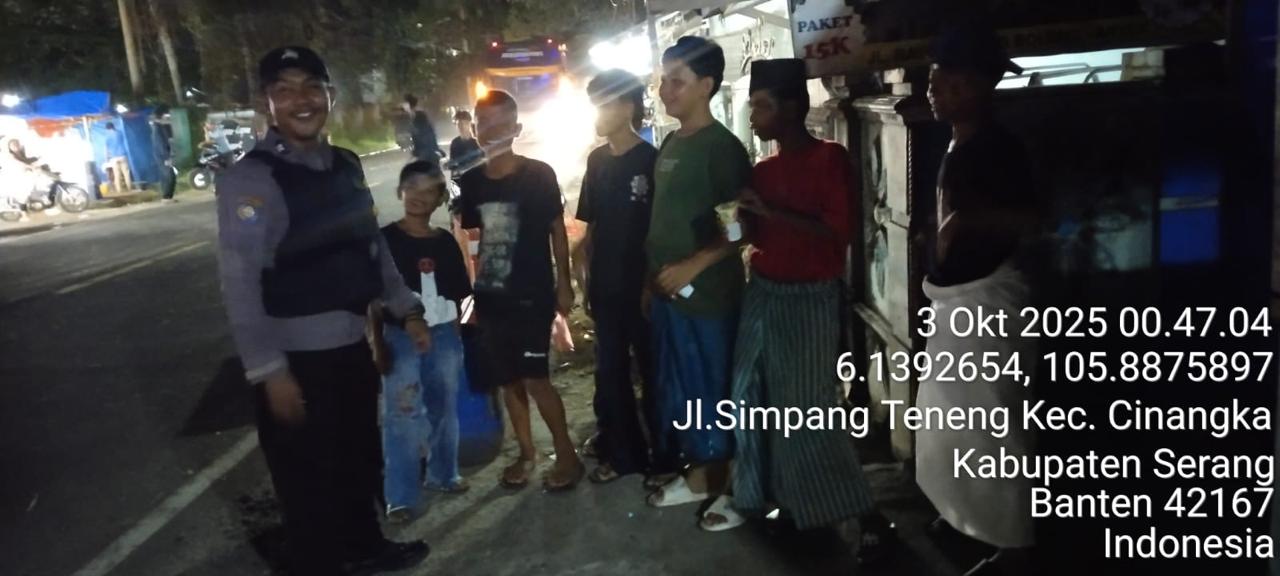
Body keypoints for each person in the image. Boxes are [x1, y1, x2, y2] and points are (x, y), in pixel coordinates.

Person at [216, 46, 431, 576]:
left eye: (311, 86)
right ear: (267, 103)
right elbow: (239, 282)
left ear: (330, 95)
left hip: (352, 347)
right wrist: (270, 371)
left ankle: (364, 546)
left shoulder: (346, 166)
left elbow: (372, 249)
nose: (301, 100)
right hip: (295, 361)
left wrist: (406, 308)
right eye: (284, 90)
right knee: (306, 479)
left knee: (358, 457)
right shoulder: (251, 179)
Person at [703, 56, 896, 559]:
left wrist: (770, 210)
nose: (752, 117)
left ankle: (861, 512)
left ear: (791, 108)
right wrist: (736, 222)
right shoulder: (762, 170)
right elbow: (753, 235)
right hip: (764, 290)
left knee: (807, 410)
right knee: (747, 392)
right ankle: (770, 498)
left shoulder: (829, 159)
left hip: (810, 297)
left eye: (761, 107)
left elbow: (837, 233)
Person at [917, 24, 1038, 576]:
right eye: (934, 81)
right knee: (949, 421)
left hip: (986, 305)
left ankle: (1013, 546)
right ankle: (963, 516)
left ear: (981, 87)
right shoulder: (958, 141)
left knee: (993, 429)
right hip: (957, 301)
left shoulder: (998, 148)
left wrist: (965, 220)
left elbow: (1030, 219)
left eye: (950, 83)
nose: (935, 91)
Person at [644, 36, 752, 508]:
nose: (665, 91)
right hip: (668, 294)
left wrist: (693, 265)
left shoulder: (721, 149)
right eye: (663, 81)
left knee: (713, 387)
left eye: (677, 82)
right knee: (682, 386)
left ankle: (726, 481)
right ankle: (700, 472)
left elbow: (739, 229)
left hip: (707, 297)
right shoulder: (671, 142)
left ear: (706, 86)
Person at [457, 89, 583, 491]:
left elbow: (557, 231)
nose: (492, 129)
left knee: (535, 379)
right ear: (475, 130)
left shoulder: (538, 174)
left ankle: (567, 455)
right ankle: (527, 454)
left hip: (531, 295)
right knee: (508, 379)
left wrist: (564, 285)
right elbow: (471, 239)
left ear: (516, 128)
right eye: (484, 122)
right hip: (491, 297)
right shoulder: (471, 182)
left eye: (501, 122)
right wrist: (469, 296)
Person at [575, 69, 673, 485]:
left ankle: (665, 456)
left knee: (653, 372)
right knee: (610, 372)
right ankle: (623, 454)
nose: (596, 113)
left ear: (628, 107)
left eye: (604, 104)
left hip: (643, 288)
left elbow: (661, 230)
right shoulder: (596, 161)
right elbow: (592, 227)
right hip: (606, 286)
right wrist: (583, 274)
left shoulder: (651, 161)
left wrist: (652, 282)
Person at [369, 160, 473, 524]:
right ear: (400, 191)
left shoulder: (444, 242)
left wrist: (461, 337)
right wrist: (376, 343)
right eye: (412, 187)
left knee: (444, 406)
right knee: (402, 414)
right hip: (398, 336)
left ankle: (443, 473)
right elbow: (373, 298)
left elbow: (461, 295)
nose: (419, 196)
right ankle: (400, 496)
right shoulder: (383, 240)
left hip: (443, 334)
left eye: (429, 191)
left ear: (440, 199)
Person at [405, 94, 443, 164]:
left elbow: (425, 135)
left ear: (409, 105)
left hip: (427, 154)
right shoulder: (416, 116)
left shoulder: (419, 116)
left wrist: (419, 153)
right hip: (426, 153)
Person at [447, 109, 483, 179]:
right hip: (462, 178)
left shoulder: (477, 142)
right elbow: (452, 164)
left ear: (470, 124)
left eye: (465, 123)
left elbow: (483, 163)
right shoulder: (455, 143)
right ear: (456, 125)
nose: (462, 127)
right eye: (459, 124)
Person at [150, 106, 176, 202]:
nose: (169, 117)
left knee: (167, 175)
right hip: (162, 156)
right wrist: (167, 157)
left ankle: (167, 196)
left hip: (162, 155)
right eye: (167, 115)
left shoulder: (159, 127)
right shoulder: (158, 128)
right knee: (169, 175)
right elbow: (160, 144)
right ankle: (166, 196)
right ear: (162, 116)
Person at [103, 122, 132, 194]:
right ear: (113, 126)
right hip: (122, 155)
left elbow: (106, 150)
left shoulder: (107, 137)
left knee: (117, 175)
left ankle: (119, 190)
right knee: (126, 173)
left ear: (107, 129)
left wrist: (106, 159)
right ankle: (129, 189)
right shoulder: (119, 133)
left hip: (114, 158)